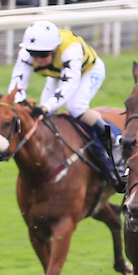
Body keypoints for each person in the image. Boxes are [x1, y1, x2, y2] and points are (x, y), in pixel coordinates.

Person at [8, 19, 125, 193]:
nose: (38, 59)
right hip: (56, 73)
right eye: (34, 54)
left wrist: (46, 107)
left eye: (43, 54)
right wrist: (19, 103)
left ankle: (112, 137)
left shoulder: (71, 50)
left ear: (55, 50)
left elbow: (69, 86)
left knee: (75, 107)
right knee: (45, 116)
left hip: (89, 70)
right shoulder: (26, 54)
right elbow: (16, 86)